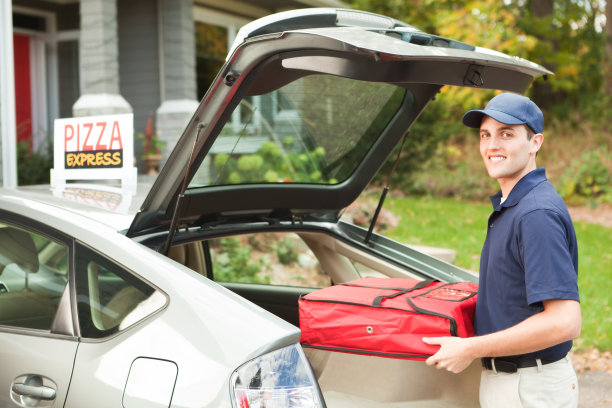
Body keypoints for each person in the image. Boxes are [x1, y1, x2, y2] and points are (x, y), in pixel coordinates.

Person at [422, 92, 581, 407]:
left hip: (528, 388)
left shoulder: (536, 214)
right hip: (514, 382)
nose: (491, 145)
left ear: (535, 142)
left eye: (506, 134)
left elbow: (564, 322)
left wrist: (470, 348)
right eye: (485, 134)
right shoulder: (515, 205)